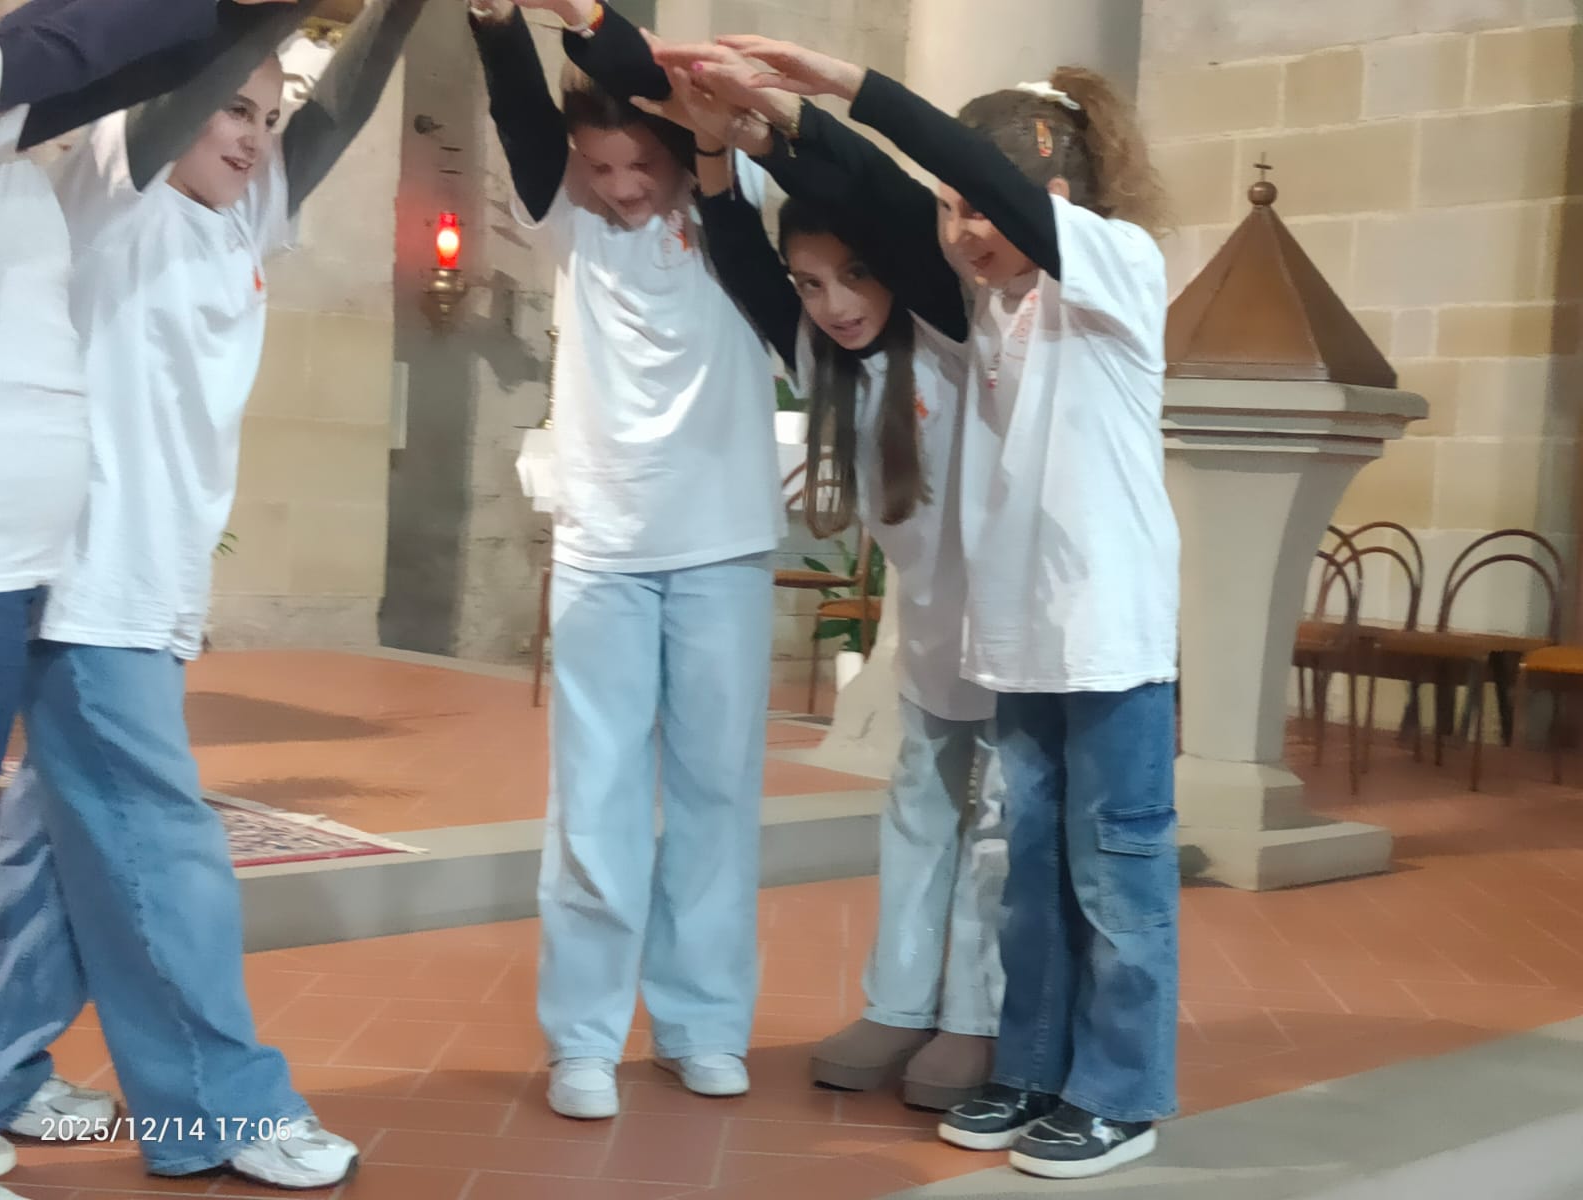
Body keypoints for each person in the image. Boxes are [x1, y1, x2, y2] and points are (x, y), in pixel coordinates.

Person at [704, 35, 1180, 1181]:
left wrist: (839, 87)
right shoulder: (990, 311)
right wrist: (759, 137)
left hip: (1107, 639)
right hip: (1017, 642)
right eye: (951, 212)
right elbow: (876, 210)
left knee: (1116, 878)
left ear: (1051, 194)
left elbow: (939, 177)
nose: (960, 230)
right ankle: (1032, 1066)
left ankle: (1120, 1095)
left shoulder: (1114, 268)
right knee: (1030, 880)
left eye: (979, 205)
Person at [0, 0, 424, 1187]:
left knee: (49, 852)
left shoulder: (244, 212)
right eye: (234, 108)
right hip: (89, 579)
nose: (253, 135)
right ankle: (215, 1110)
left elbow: (342, 109)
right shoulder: (115, 177)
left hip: (145, 583)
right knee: (157, 842)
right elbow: (192, 75)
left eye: (267, 117)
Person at [634, 50, 1010, 1112]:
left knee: (996, 830)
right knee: (918, 811)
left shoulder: (948, 325)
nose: (833, 303)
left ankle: (977, 1018)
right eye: (810, 284)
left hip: (1011, 630)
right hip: (931, 634)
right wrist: (711, 150)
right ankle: (900, 1002)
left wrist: (780, 120)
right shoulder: (820, 354)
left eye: (852, 276)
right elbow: (735, 252)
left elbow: (890, 202)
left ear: (893, 268)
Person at [467, 0, 782, 1121]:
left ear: (678, 147)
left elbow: (659, 83)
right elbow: (518, 113)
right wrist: (496, 24)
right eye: (599, 167)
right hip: (604, 549)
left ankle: (702, 1024)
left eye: (640, 164)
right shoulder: (569, 217)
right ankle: (585, 1039)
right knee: (593, 803)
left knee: (715, 796)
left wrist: (590, 22)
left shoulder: (741, 207)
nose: (622, 188)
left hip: (723, 546)